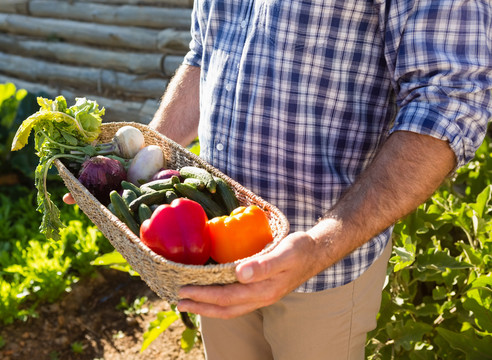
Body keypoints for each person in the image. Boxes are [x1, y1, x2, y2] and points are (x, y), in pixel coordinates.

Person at [67, 1, 491, 359]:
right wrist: (135, 168)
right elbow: (204, 54)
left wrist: (321, 246)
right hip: (213, 246)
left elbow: (450, 101)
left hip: (323, 262)